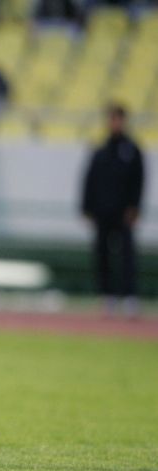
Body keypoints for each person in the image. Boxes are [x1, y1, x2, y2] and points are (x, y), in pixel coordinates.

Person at [81, 104, 144, 317]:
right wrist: (87, 207)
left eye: (118, 119)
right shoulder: (101, 150)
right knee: (102, 255)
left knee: (127, 256)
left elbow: (138, 181)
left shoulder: (132, 150)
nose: (115, 123)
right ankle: (107, 297)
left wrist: (134, 207)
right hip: (102, 212)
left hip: (123, 213)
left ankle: (129, 298)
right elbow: (90, 180)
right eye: (112, 118)